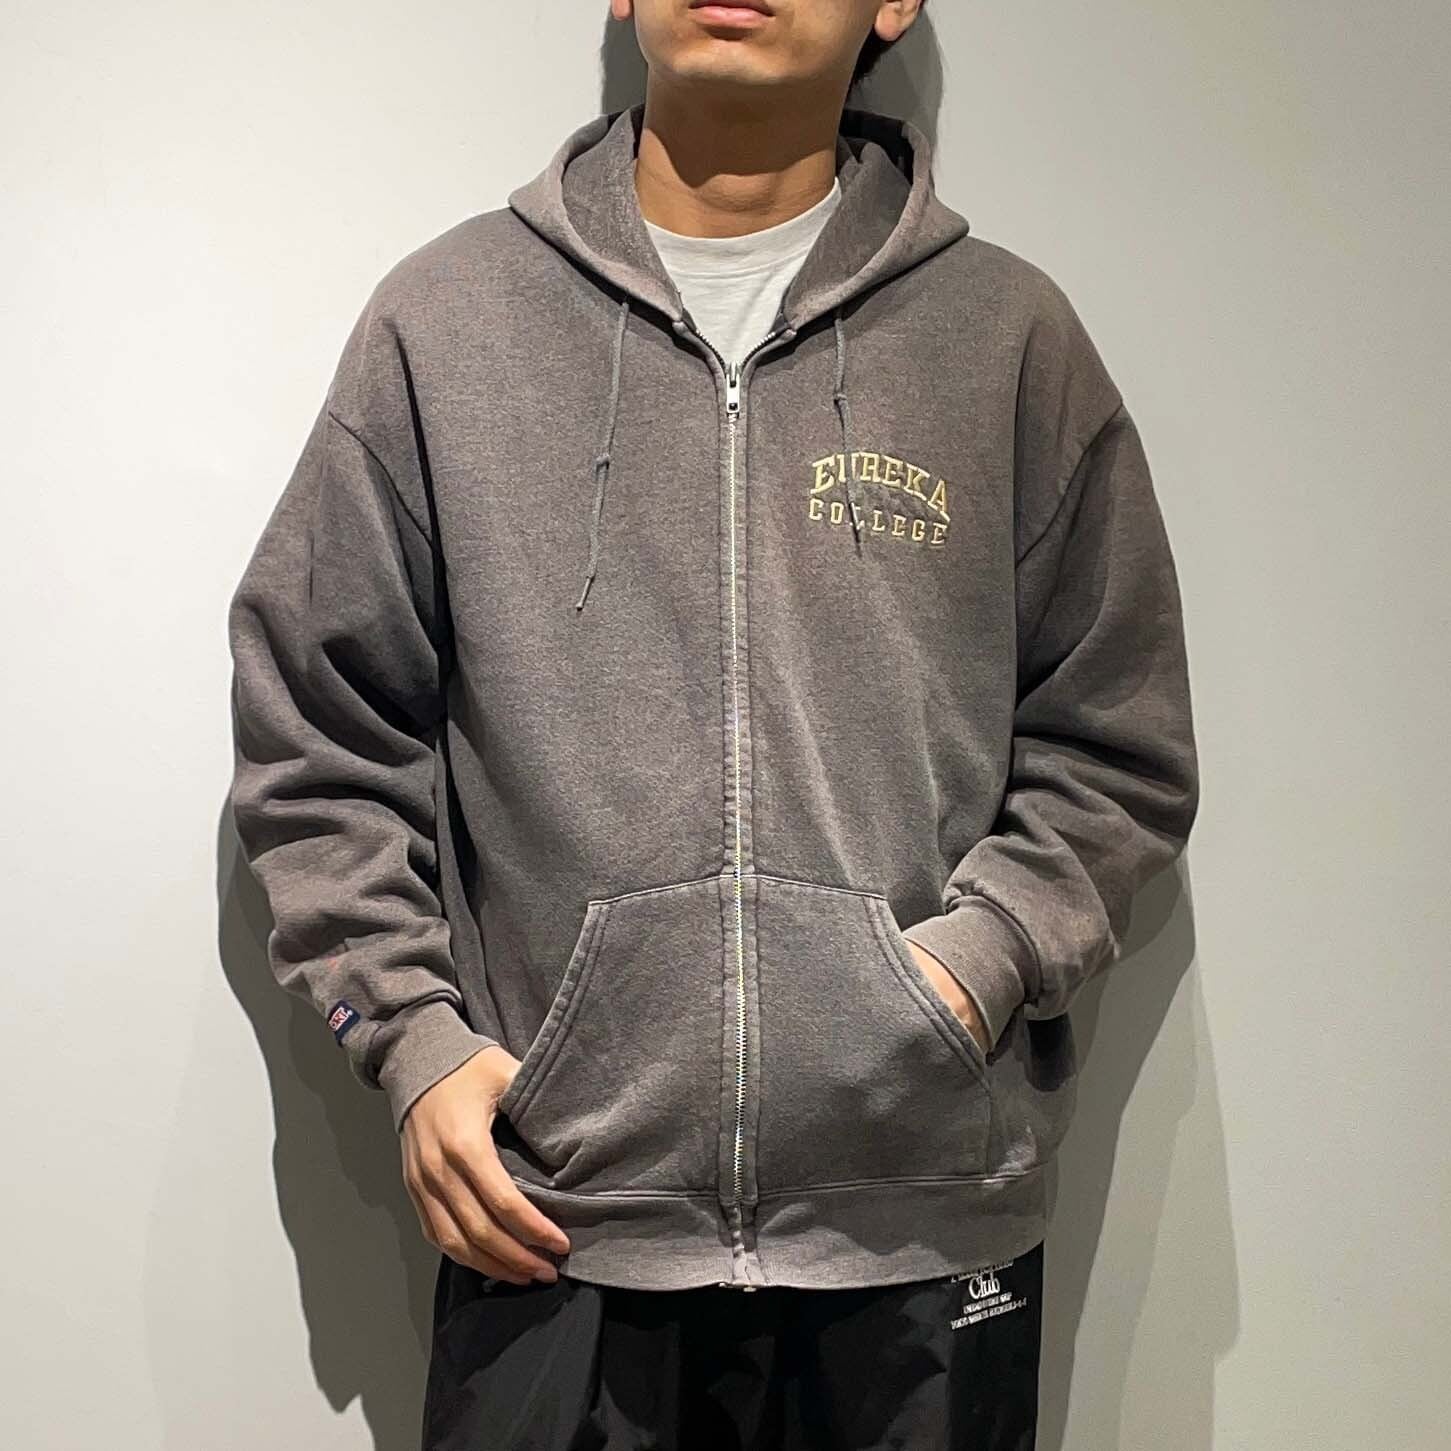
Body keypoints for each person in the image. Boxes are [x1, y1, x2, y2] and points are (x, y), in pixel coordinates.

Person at [226, 1, 1200, 1445]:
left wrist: (974, 967)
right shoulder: (447, 325)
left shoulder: (1007, 341)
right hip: (553, 1225)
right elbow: (315, 736)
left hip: (919, 1228)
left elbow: (1116, 743)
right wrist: (407, 1033)